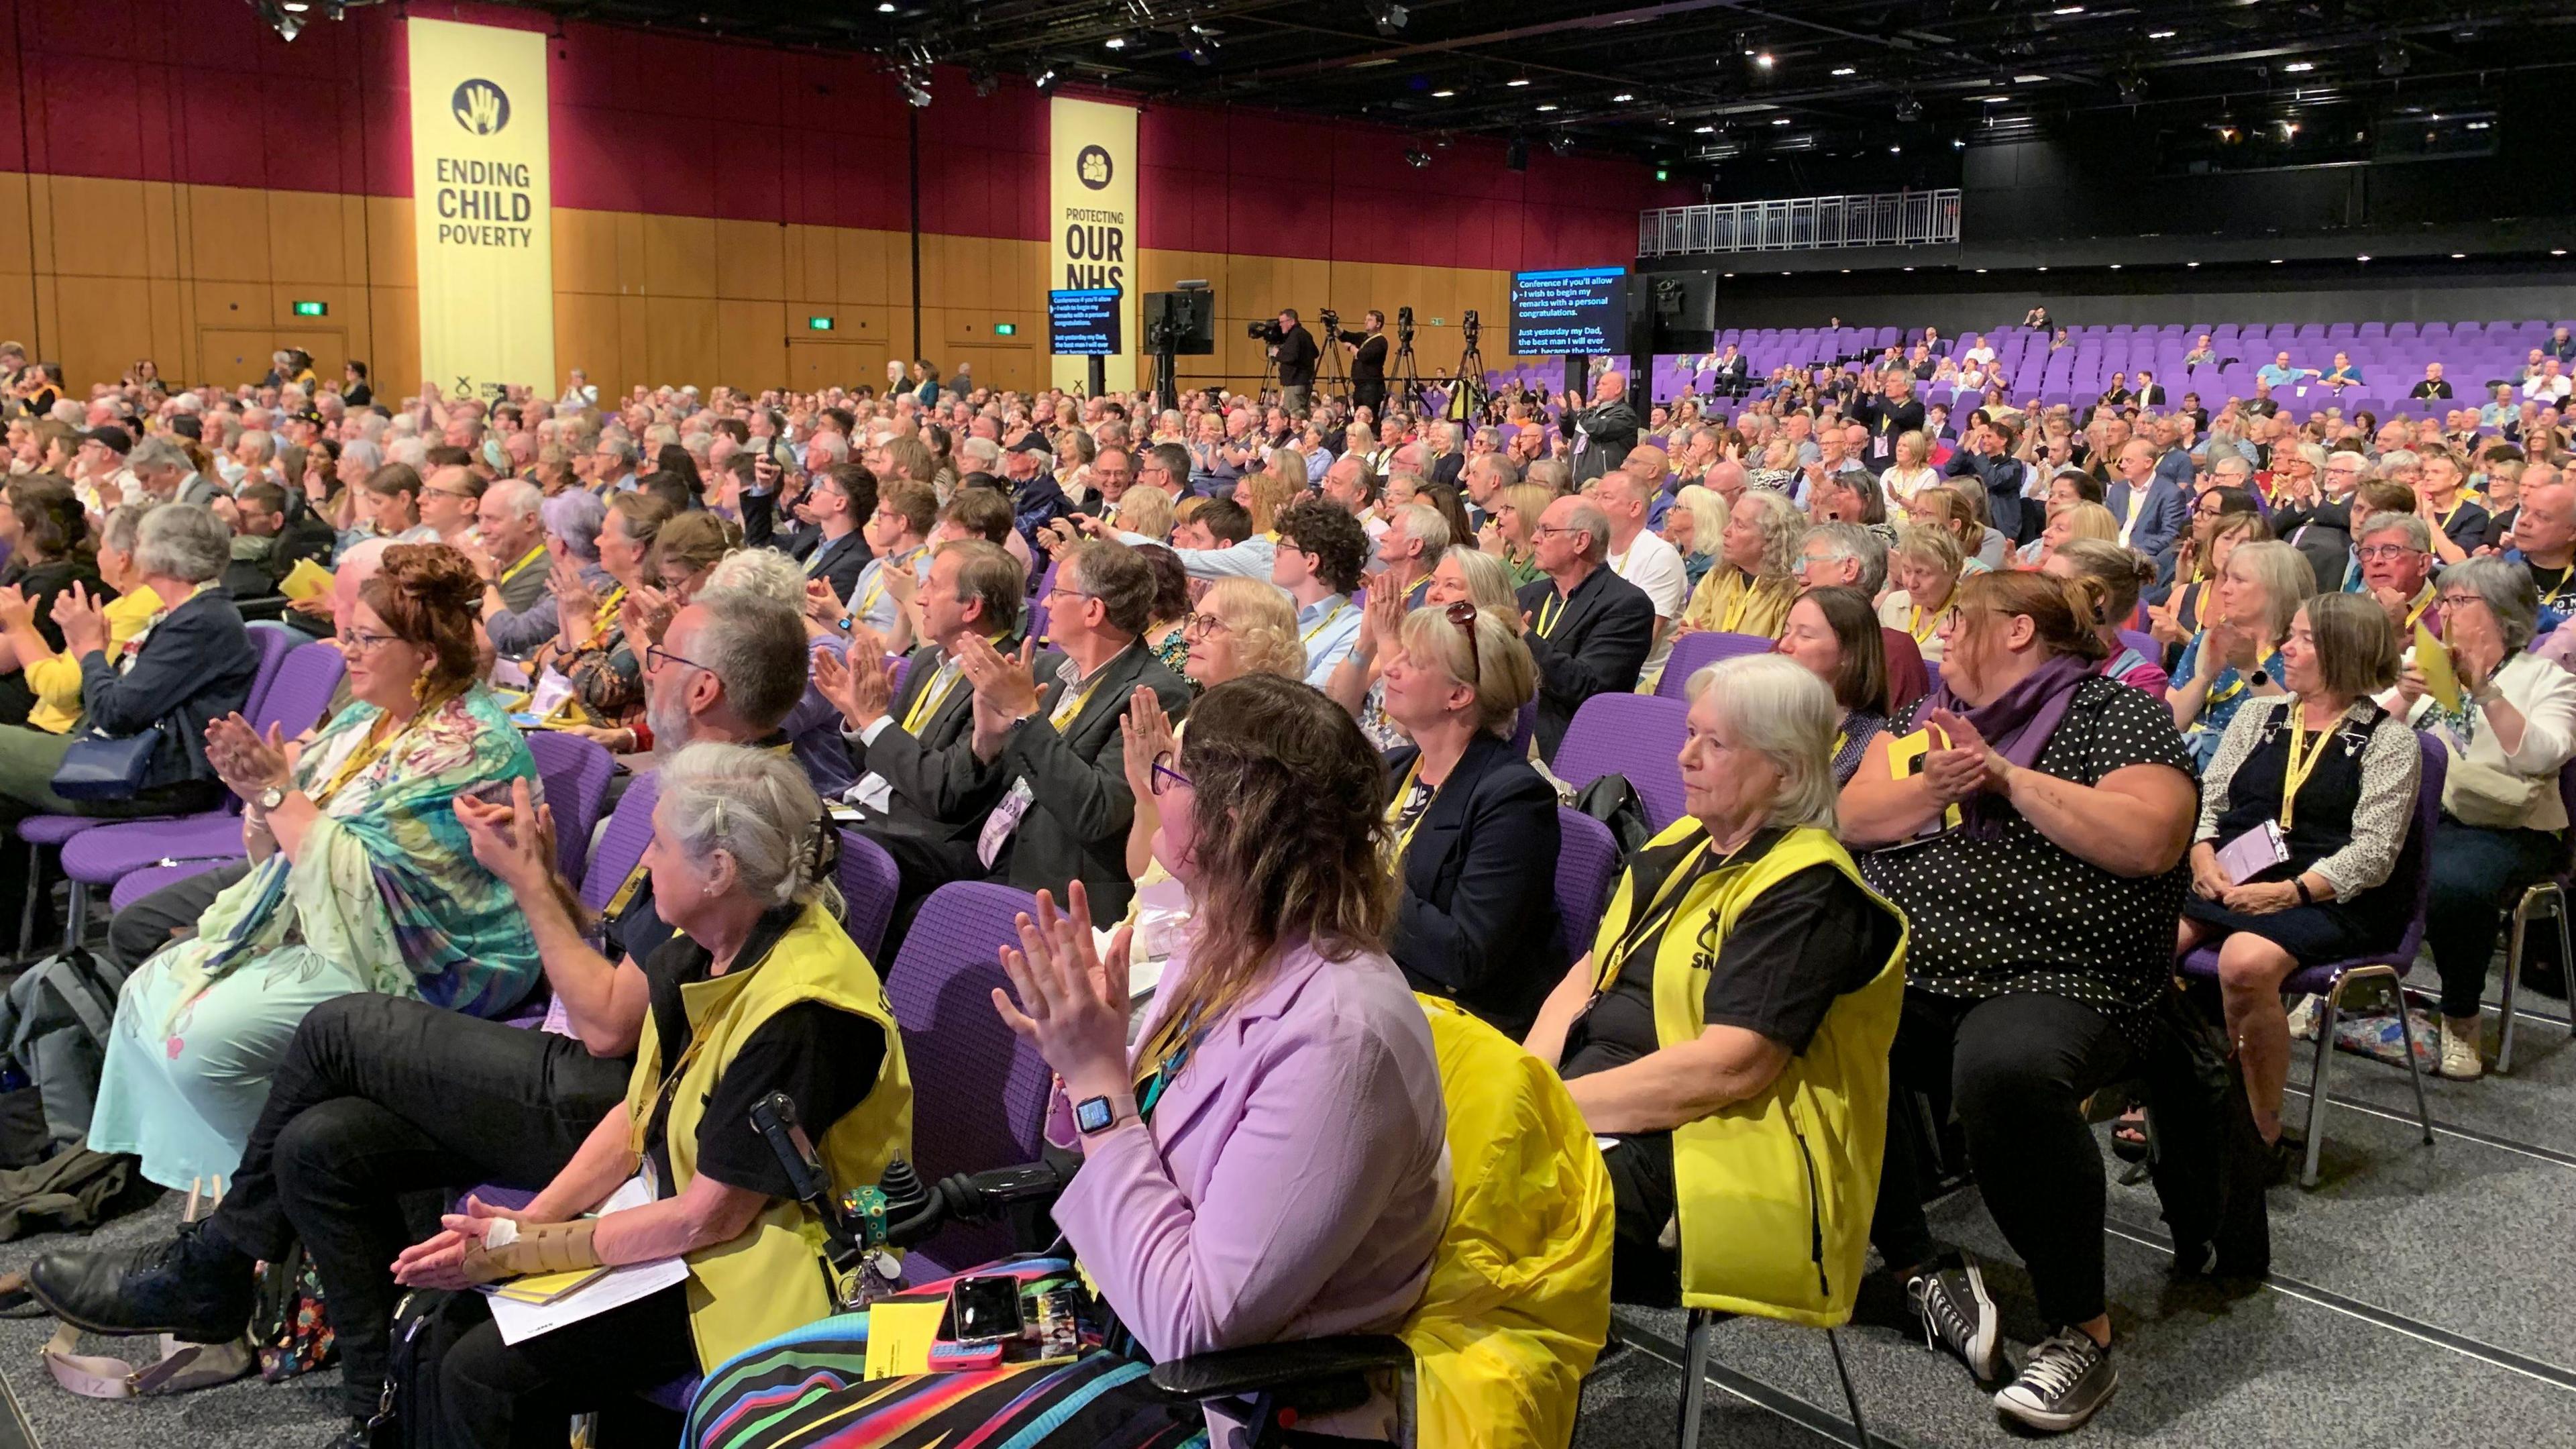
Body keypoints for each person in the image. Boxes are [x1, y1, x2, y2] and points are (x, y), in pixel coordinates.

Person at [30, 588, 816, 1436]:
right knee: (318, 1143)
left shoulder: (739, 817)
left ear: (703, 689)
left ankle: (219, 1260)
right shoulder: (698, 791)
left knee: (340, 1025)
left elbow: (613, 1028)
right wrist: (547, 875)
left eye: (663, 660)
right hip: (585, 1057)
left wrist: (526, 890)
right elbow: (622, 960)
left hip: (618, 1096)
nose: (645, 672)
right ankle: (381, 1411)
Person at [708, 677, 1446, 1447]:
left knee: (770, 1434)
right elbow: (1093, 1155)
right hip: (1099, 1311)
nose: (1155, 784)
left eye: (1173, 771)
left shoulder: (1340, 1038)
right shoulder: (1222, 943)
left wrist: (1099, 1084)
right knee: (745, 1389)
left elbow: (1194, 1324)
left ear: (1234, 824)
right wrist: (1076, 1061)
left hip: (1210, 1401)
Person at [381, 742, 911, 1445]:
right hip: (696, 1229)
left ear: (719, 870)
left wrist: (520, 1248)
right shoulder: (701, 947)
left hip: (779, 1269)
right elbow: (637, 1121)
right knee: (448, 1323)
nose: (647, 861)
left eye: (660, 844)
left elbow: (708, 1221)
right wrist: (522, 1229)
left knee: (480, 1373)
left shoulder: (802, 1014)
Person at [1841, 570, 2198, 1435]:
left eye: (1960, 619)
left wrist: (2003, 777)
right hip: (1926, 963)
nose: (1942, 635)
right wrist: (1939, 782)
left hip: (2065, 970)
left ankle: (2082, 1326)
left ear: (2019, 632)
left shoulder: (2115, 715)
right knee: (1825, 1009)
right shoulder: (1925, 721)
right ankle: (1916, 1263)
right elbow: (1849, 812)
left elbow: (2151, 839)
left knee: (2004, 1068)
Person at [82, 544, 539, 1193]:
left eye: (366, 639)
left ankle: (270, 1205)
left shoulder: (470, 742)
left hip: (440, 955)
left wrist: (277, 794)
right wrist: (260, 799)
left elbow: (372, 879)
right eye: (347, 634)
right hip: (336, 923)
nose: (345, 650)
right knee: (145, 995)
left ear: (427, 655)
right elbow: (300, 840)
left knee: (201, 1044)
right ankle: (239, 1201)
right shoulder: (365, 719)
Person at [1525, 653, 1905, 1308]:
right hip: (1603, 1098)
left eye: (1715, 743)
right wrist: (1525, 1083)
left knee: (1495, 1216)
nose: (1685, 758)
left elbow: (1727, 1071)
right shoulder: (1681, 842)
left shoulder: (1809, 890)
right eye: (1689, 733)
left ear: (1785, 769)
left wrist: (1551, 1107)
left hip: (1709, 1146)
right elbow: (1588, 972)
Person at [2180, 594, 2418, 1150]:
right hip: (2233, 874)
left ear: (2344, 651)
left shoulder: (2389, 740)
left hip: (2330, 894)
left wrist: (2288, 894)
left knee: (2244, 961)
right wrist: (2201, 855)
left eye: (2305, 638)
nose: (2286, 647)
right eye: (2291, 634)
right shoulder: (2259, 715)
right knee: (2142, 937)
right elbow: (2210, 799)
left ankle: (2259, 1127)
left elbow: (2374, 853)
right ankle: (2175, 1090)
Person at [0, 505, 259, 924]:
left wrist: (88, 651)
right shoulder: (192, 614)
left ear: (158, 554)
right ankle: (19, 926)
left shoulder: (202, 621)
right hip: (128, 761)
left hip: (151, 778)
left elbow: (114, 712)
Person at [2402, 558, 2576, 1080]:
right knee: (2337, 847)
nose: (2446, 613)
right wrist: (2402, 695)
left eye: (2459, 602)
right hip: (2423, 812)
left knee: (2453, 883)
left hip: (2508, 826)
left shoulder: (2547, 678)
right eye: (2444, 602)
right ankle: (2335, 994)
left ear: (2501, 614)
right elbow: (2366, 738)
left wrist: (2485, 692)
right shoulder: (2422, 661)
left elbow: (2544, 756)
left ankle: (2461, 1017)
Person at [1371, 596, 1558, 1034]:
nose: (1390, 668)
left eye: (1412, 662)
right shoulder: (1397, 767)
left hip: (1455, 1018)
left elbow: (1465, 956)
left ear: (1458, 695)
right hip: (1377, 981)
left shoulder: (1514, 799)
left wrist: (1356, 877)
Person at [1516, 496, 1656, 761]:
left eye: (1546, 531)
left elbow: (1588, 687)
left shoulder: (1627, 605)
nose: (1535, 538)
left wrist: (1522, 635)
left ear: (1581, 541)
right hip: (1508, 720)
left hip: (1563, 738)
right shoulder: (1526, 596)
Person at [2169, 540, 2314, 769]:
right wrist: (2204, 678)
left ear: (2277, 590)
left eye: (2239, 580)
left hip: (2257, 769)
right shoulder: (2208, 640)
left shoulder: (2301, 651)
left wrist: (2251, 670)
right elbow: (2172, 724)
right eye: (2227, 579)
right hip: (2190, 761)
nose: (2225, 589)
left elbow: (2295, 725)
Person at [0, 474, 105, 727]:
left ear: (25, 521)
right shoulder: (22, 565)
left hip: (26, 701)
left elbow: (3, 660)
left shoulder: (55, 582)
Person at [1776, 585, 1892, 783]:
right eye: (1786, 632)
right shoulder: (1762, 711)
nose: (1784, 645)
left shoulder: (1871, 740)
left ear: (1849, 652)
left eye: (1805, 636)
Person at [2045, 540, 2171, 696]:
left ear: (2096, 596)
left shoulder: (2140, 680)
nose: (2039, 590)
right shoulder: (2032, 648)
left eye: (2054, 583)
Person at [1879, 525, 1966, 665]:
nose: (1911, 584)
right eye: (1907, 571)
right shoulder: (1892, 604)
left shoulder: (1969, 615)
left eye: (1923, 573)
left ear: (1954, 571)